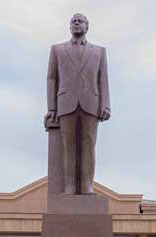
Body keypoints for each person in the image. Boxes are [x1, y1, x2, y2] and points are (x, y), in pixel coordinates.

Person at [45, 13, 111, 195]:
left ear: (86, 27)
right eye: (73, 21)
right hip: (65, 102)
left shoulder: (99, 51)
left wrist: (106, 104)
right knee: (68, 146)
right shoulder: (58, 50)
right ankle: (70, 187)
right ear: (70, 27)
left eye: (80, 21)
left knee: (89, 145)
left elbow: (103, 79)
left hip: (91, 102)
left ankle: (87, 186)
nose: (76, 23)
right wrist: (51, 107)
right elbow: (52, 78)